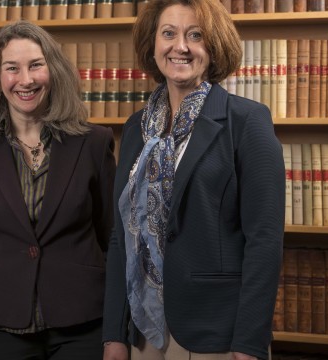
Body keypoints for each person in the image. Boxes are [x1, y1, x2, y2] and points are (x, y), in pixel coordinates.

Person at [102, 1, 284, 359]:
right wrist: (113, 334)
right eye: (168, 33)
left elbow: (264, 240)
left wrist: (248, 343)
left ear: (214, 46)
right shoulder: (136, 129)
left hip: (216, 333)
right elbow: (120, 236)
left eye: (195, 35)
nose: (180, 46)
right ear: (152, 44)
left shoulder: (246, 122)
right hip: (142, 334)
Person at [0, 20, 116, 360]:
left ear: (53, 72)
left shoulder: (93, 142)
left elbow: (108, 232)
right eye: (12, 68)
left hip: (81, 321)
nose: (26, 80)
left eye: (36, 65)